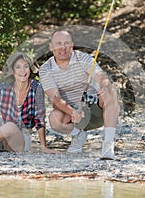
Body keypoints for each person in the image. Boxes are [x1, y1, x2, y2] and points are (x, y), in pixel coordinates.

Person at [39, 30, 120, 160]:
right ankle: (78, 135)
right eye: (58, 43)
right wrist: (72, 112)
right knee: (54, 119)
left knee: (110, 92)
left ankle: (108, 146)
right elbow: (55, 99)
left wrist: (105, 86)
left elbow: (102, 77)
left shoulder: (83, 58)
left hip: (95, 110)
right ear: (51, 47)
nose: (63, 47)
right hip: (72, 115)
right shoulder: (45, 69)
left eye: (66, 43)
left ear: (72, 45)